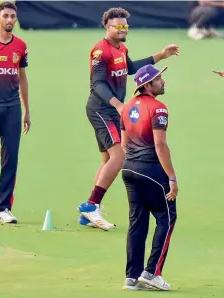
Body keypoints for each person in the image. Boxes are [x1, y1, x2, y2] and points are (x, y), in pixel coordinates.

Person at [77, 7, 179, 231]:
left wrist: (161, 55)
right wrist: (119, 105)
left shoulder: (121, 48)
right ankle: (91, 204)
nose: (123, 30)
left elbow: (131, 68)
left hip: (112, 110)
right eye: (118, 26)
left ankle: (89, 212)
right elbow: (97, 84)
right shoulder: (100, 51)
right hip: (101, 109)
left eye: (125, 26)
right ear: (107, 27)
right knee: (119, 156)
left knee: (108, 161)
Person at [120, 65, 178, 291]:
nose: (162, 81)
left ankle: (131, 277)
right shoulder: (159, 109)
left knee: (137, 221)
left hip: (129, 169)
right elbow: (160, 144)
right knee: (167, 217)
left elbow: (124, 145)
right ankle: (152, 272)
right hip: (151, 170)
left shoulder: (126, 107)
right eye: (158, 79)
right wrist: (171, 178)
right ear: (147, 85)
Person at [0, 1, 30, 224]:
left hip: (12, 107)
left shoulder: (21, 46)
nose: (10, 20)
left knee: (10, 158)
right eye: (6, 16)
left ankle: (2, 209)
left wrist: (26, 111)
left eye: (13, 16)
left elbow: (22, 77)